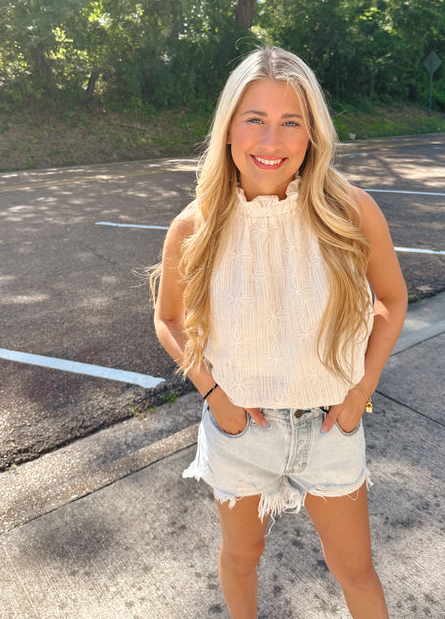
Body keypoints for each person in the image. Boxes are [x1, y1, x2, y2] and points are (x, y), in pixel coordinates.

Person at [152, 46, 407, 619]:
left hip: (331, 428)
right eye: (255, 120)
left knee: (356, 571)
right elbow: (167, 319)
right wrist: (217, 399)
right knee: (242, 557)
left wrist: (360, 391)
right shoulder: (194, 225)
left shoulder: (351, 210)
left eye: (291, 122)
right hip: (240, 432)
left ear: (311, 133)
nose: (272, 142)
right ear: (227, 131)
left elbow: (391, 300)